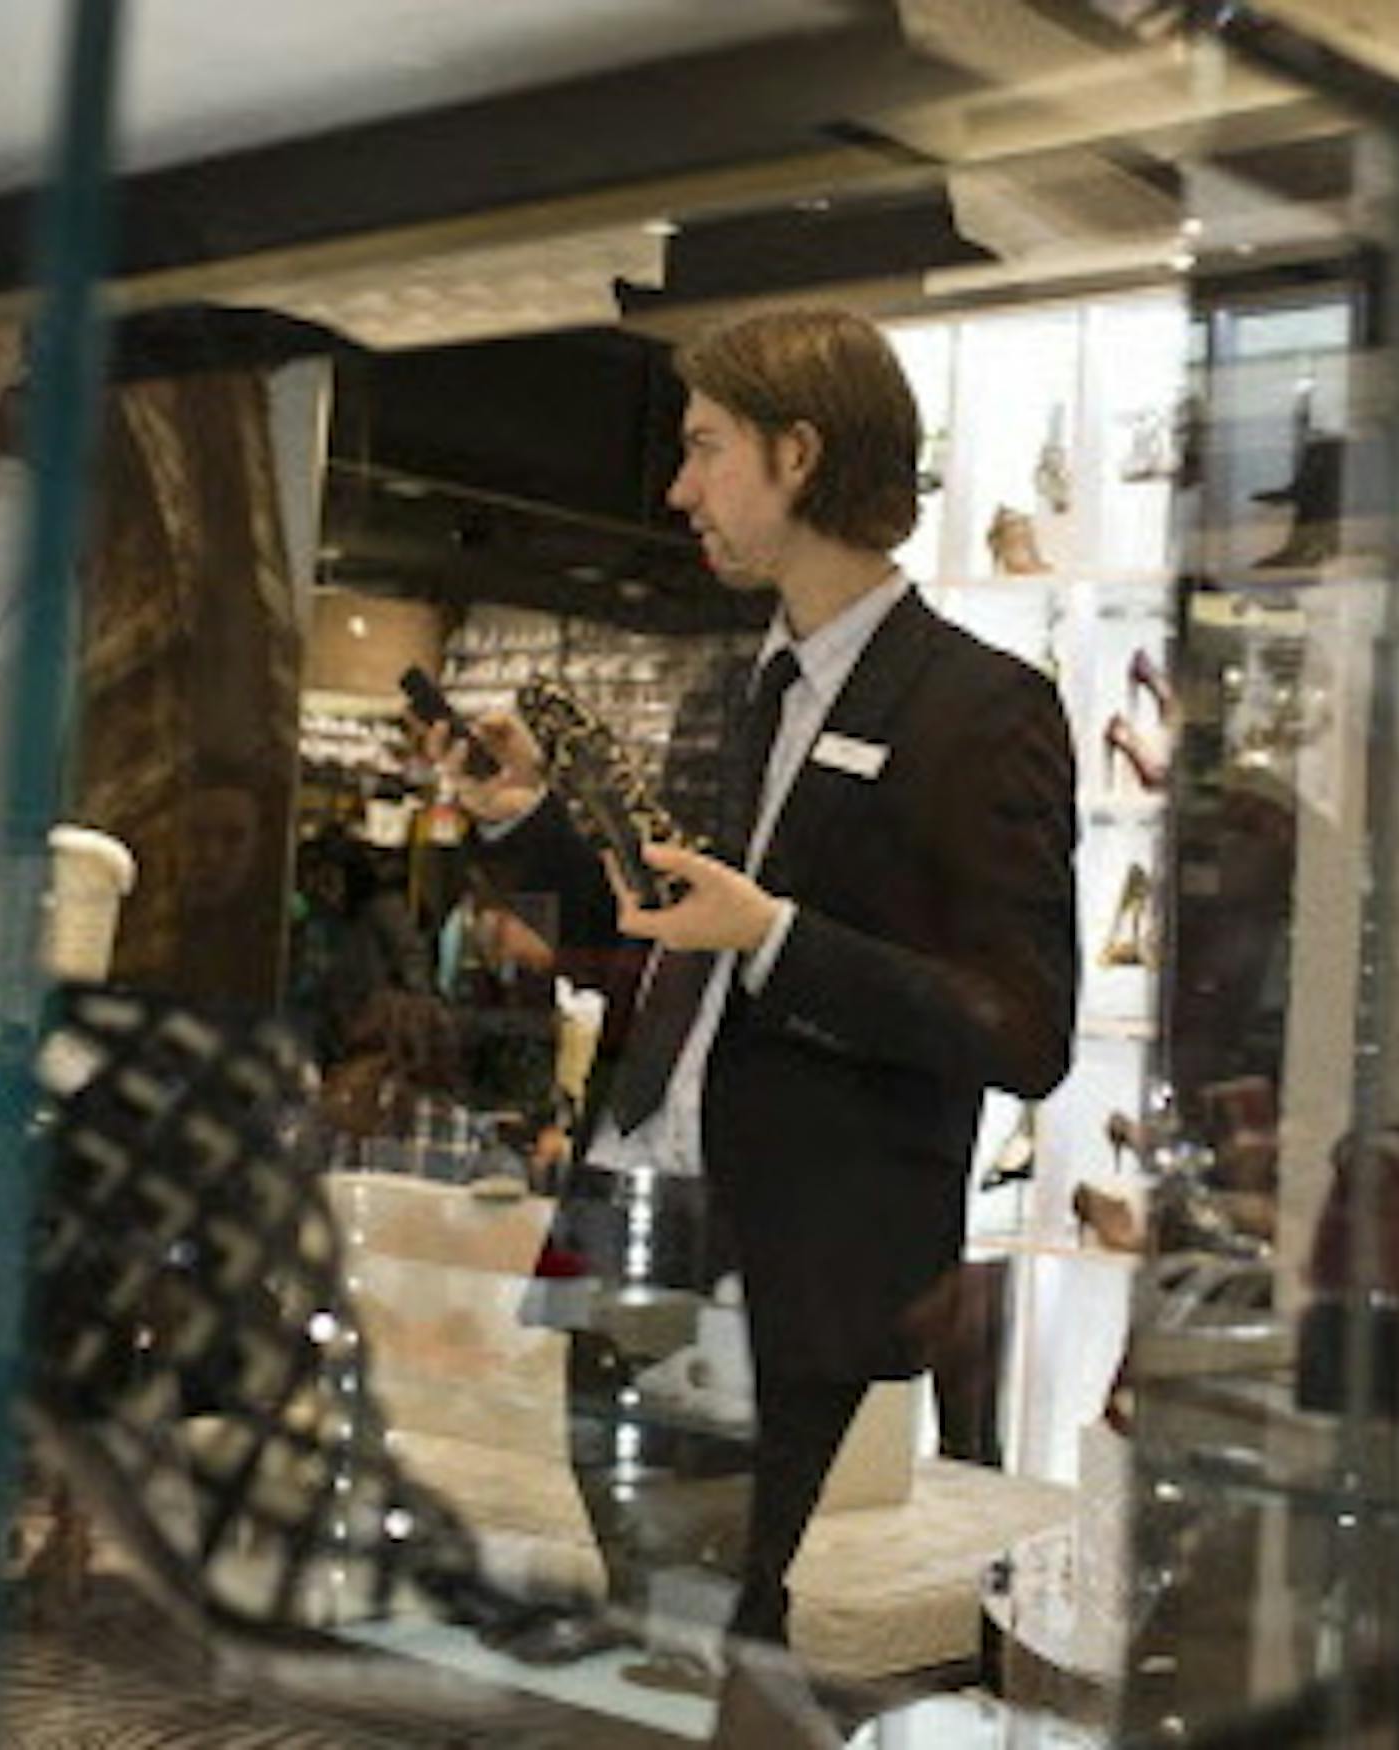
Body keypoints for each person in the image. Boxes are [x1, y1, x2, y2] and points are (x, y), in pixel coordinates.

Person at [436, 307, 1079, 1649]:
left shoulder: (983, 708)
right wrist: (531, 821)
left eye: (704, 448)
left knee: (734, 1634)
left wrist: (778, 936)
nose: (679, 490)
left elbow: (1024, 1029)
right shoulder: (739, 691)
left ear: (798, 453)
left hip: (797, 1249)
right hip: (630, 1207)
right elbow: (671, 928)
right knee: (637, 1624)